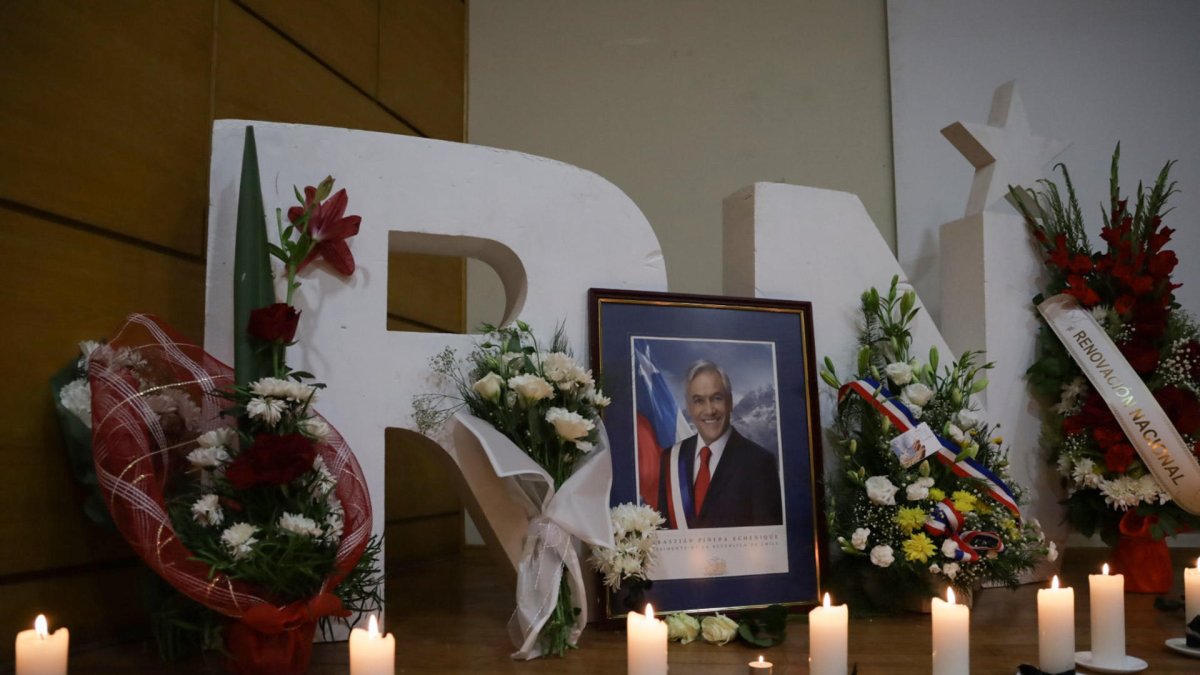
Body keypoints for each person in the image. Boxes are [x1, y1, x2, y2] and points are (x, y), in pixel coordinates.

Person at [656, 360, 783, 529]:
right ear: (689, 407)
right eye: (699, 401)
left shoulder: (759, 462)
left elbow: (769, 543)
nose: (709, 410)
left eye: (716, 398)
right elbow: (663, 531)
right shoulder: (670, 459)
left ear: (730, 402)